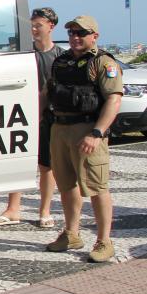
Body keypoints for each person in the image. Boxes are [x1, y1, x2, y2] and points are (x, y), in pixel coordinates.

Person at [45, 16, 122, 262]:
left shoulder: (103, 62)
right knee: (66, 185)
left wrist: (97, 133)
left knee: (97, 187)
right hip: (60, 129)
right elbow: (48, 92)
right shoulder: (61, 61)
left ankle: (104, 241)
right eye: (71, 33)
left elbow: (114, 99)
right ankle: (71, 234)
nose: (75, 37)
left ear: (94, 36)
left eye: (81, 33)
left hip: (88, 130)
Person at [0, 7, 64, 227]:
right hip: (22, 114)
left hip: (49, 117)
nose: (34, 29)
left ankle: (45, 210)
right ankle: (13, 209)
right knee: (19, 161)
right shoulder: (24, 54)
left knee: (47, 165)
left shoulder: (60, 56)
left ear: (51, 26)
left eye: (38, 25)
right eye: (31, 25)